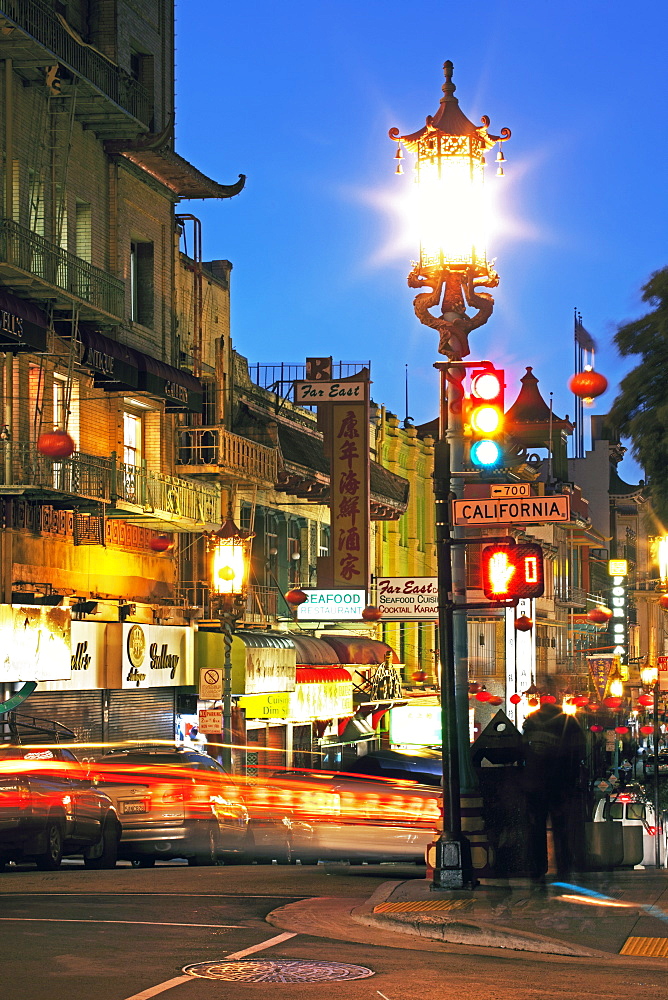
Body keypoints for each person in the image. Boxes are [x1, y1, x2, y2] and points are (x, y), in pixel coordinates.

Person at [522, 701, 586, 881]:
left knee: (536, 827)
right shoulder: (568, 722)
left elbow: (523, 750)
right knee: (561, 826)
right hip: (560, 783)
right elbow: (579, 751)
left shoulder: (531, 722)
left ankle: (537, 867)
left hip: (534, 783)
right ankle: (564, 864)